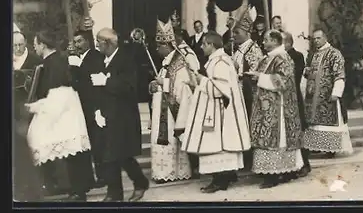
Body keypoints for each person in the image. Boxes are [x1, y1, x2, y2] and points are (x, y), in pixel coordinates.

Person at [26, 30, 94, 201]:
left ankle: (77, 191)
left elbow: (59, 92)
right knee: (66, 153)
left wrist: (37, 108)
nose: (34, 47)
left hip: (62, 112)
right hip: (61, 110)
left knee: (70, 153)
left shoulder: (54, 62)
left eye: (35, 43)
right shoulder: (53, 60)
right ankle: (68, 188)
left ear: (43, 44)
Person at [181, 31, 251, 193]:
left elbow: (222, 90)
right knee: (218, 146)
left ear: (212, 45)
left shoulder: (220, 62)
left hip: (220, 113)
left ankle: (220, 180)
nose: (201, 47)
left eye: (204, 44)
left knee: (218, 146)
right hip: (216, 109)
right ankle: (225, 176)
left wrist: (202, 81)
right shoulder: (217, 60)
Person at [92, 28, 149, 201]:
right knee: (112, 155)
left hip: (123, 117)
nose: (96, 45)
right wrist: (97, 111)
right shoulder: (102, 60)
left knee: (120, 155)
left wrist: (107, 81)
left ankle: (135, 184)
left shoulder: (126, 60)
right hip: (107, 115)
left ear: (107, 43)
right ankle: (117, 192)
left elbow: (130, 87)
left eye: (98, 41)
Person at [246, 30, 303, 188]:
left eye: (266, 40)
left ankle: (276, 174)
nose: (263, 43)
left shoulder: (283, 57)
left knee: (277, 139)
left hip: (278, 108)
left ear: (275, 41)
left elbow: (284, 82)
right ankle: (277, 173)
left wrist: (260, 77)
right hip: (265, 107)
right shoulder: (268, 58)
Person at [148, 19, 199, 183]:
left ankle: (172, 172)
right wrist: (154, 85)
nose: (157, 49)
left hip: (171, 110)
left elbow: (186, 84)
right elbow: (162, 80)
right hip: (161, 107)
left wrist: (165, 83)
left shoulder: (179, 61)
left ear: (167, 45)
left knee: (171, 139)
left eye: (159, 46)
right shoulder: (167, 62)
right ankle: (164, 171)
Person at [302, 28, 353, 158]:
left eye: (318, 38)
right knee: (315, 122)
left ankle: (331, 149)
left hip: (327, 95)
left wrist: (336, 92)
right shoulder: (314, 54)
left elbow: (339, 74)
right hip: (313, 96)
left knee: (328, 121)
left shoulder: (334, 53)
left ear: (325, 38)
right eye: (314, 39)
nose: (316, 41)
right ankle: (318, 146)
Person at [69, 31, 107, 188]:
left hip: (94, 104)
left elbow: (94, 80)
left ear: (87, 42)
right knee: (91, 141)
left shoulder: (95, 56)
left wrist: (79, 66)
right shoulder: (79, 58)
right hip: (83, 105)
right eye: (75, 42)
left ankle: (103, 177)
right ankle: (96, 176)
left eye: (79, 41)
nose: (77, 45)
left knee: (98, 143)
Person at [232, 7, 264, 170]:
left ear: (246, 32)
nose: (233, 36)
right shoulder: (238, 50)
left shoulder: (253, 50)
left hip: (250, 96)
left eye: (237, 33)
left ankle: (250, 159)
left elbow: (256, 74)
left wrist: (238, 73)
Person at [13, 32, 43, 201]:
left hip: (29, 108)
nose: (18, 48)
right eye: (14, 45)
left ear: (26, 44)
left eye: (20, 45)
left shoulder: (35, 61)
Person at [282, 31, 310, 177]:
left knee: (298, 131)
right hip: (284, 99)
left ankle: (305, 164)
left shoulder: (297, 56)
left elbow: (294, 75)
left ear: (287, 43)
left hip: (294, 97)